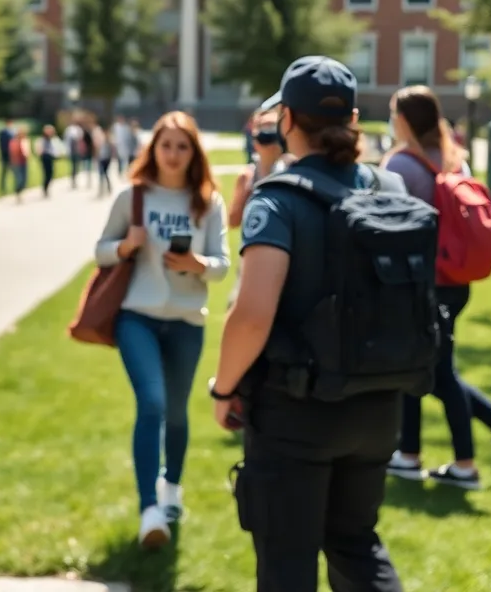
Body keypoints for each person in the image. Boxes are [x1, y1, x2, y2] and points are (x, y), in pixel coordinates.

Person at [211, 56, 422, 592]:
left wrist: (224, 388)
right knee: (356, 546)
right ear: (351, 117)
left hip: (296, 412)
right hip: (378, 404)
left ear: (285, 119)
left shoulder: (278, 199)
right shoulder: (390, 190)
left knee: (287, 563)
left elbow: (252, 314)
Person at [382, 86, 491, 489]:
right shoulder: (453, 160)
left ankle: (486, 444)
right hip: (456, 280)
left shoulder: (401, 165)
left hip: (422, 284)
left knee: (437, 373)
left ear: (403, 120)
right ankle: (409, 453)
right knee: (418, 367)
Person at [94, 111, 230, 550]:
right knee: (151, 404)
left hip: (187, 321)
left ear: (194, 152)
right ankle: (149, 508)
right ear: (153, 149)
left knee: (176, 412)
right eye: (165, 145)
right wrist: (126, 245)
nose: (173, 154)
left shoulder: (208, 202)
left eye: (182, 146)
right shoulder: (133, 195)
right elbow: (101, 252)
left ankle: (172, 487)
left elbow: (223, 264)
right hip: (138, 317)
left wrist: (198, 265)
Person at [225, 109, 287, 308]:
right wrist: (248, 192)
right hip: (250, 259)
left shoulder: (291, 172)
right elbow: (233, 221)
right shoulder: (247, 176)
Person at [0, 118, 14, 194]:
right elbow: (1, 144)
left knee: (13, 171)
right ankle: (2, 186)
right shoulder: (3, 132)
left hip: (12, 154)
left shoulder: (12, 132)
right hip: (5, 154)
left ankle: (15, 186)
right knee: (4, 171)